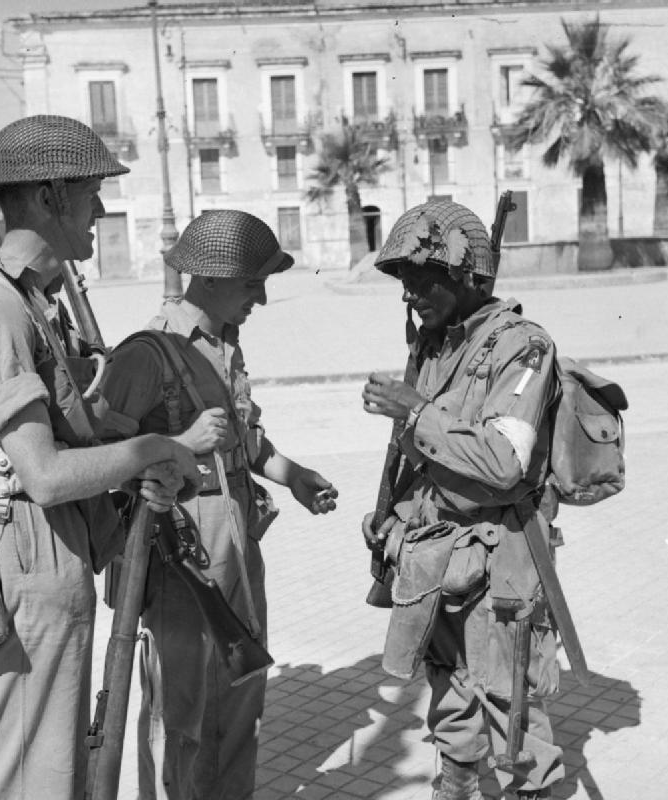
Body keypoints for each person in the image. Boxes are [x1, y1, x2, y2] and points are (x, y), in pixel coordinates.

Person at [0, 114, 199, 800]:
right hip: (23, 553)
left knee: (57, 770)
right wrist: (152, 449)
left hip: (47, 551)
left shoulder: (30, 303)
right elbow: (43, 474)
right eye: (91, 192)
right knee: (28, 776)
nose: (100, 210)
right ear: (50, 196)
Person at [97, 208, 339, 800]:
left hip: (235, 541)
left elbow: (245, 440)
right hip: (177, 552)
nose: (261, 295)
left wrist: (294, 476)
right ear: (210, 277)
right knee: (180, 709)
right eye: (252, 281)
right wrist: (179, 446)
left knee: (240, 689)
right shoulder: (147, 353)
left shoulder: (224, 345)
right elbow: (102, 456)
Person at [361, 199, 564, 800]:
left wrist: (415, 410)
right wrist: (389, 514)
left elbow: (505, 463)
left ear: (468, 275)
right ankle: (455, 784)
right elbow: (416, 453)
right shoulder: (433, 344)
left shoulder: (523, 347)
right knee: (448, 686)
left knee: (509, 700)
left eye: (425, 281)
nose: (412, 295)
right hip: (434, 555)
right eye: (405, 284)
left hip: (499, 556)